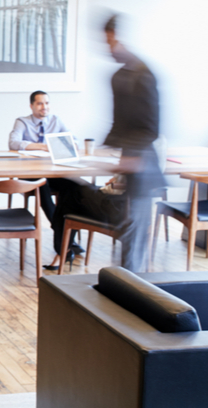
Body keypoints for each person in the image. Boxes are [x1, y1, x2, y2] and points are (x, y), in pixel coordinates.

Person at [45, 14, 164, 273]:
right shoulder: (118, 77)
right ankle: (73, 256)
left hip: (142, 176)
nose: (109, 49)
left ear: (123, 39)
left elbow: (151, 129)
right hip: (125, 175)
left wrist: (129, 160)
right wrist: (101, 156)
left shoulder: (145, 75)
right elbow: (118, 125)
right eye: (106, 43)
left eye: (112, 42)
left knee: (133, 247)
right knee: (69, 188)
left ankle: (132, 293)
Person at [8, 91, 81, 257]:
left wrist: (68, 143)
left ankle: (66, 232)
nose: (44, 107)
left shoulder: (56, 120)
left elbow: (73, 140)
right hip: (30, 173)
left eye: (46, 103)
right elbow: (13, 143)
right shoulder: (22, 122)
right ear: (32, 106)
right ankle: (60, 228)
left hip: (53, 171)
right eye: (40, 103)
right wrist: (44, 146)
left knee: (74, 185)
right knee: (42, 184)